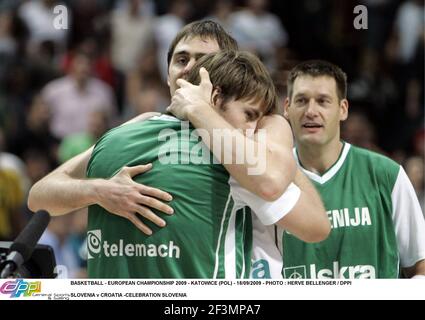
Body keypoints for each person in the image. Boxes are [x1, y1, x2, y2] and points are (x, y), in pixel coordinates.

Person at [28, 21, 329, 277]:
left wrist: (202, 111)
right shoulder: (139, 126)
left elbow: (299, 211)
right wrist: (99, 191)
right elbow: (41, 194)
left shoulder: (258, 126)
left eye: (203, 61)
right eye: (181, 60)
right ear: (168, 70)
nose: (189, 70)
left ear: (225, 72)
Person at [275, 60, 425, 279]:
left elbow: (419, 264)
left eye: (323, 101)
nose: (311, 111)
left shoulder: (385, 174)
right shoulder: (271, 179)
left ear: (343, 109)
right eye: (302, 100)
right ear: (287, 108)